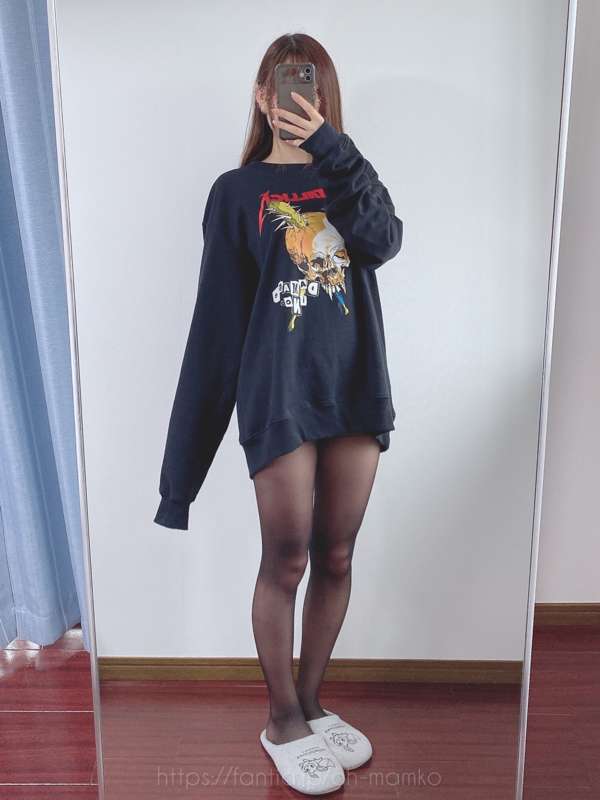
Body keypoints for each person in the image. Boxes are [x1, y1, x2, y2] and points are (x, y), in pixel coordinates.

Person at [153, 32, 403, 795]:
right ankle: (282, 718)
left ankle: (313, 702)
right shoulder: (236, 193)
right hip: (278, 399)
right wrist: (179, 480)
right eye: (284, 84)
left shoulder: (348, 175)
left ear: (325, 99)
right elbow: (216, 329)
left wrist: (332, 147)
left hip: (354, 390)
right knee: (287, 560)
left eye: (310, 85)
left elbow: (383, 241)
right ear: (262, 96)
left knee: (337, 556)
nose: (296, 97)